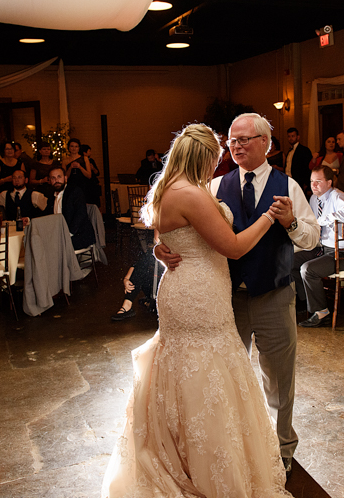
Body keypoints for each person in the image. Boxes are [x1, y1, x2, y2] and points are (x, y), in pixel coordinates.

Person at [102, 123, 293, 496]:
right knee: (206, 374)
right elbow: (234, 247)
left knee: (181, 370)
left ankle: (176, 452)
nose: (216, 167)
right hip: (199, 295)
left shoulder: (166, 188)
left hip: (180, 288)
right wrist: (268, 218)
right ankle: (204, 464)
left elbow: (163, 235)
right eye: (216, 159)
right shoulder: (191, 192)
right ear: (204, 156)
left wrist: (160, 248)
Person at [155, 114, 320, 480]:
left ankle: (280, 451)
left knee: (279, 380)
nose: (237, 146)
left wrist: (291, 222)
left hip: (273, 295)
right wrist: (160, 247)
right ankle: (235, 451)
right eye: (232, 141)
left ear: (266, 143)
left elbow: (311, 239)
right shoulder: (211, 187)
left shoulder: (288, 185)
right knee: (226, 381)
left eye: (245, 139)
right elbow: (178, 225)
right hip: (223, 300)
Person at [292, 166, 344, 327]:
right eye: (311, 181)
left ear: (329, 182)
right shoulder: (314, 200)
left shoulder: (338, 196)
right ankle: (305, 302)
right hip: (324, 248)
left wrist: (322, 220)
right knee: (290, 261)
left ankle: (321, 313)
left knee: (308, 269)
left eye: (318, 181)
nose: (313, 185)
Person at [42, 166, 95, 250]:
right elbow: (46, 215)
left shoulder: (75, 192)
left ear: (65, 178)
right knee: (40, 242)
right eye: (53, 178)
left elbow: (80, 214)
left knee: (51, 246)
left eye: (59, 177)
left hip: (78, 234)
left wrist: (68, 233)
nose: (56, 180)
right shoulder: (52, 196)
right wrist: (29, 219)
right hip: (61, 234)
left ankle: (61, 263)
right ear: (50, 181)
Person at [110, 249, 158, 321]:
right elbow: (137, 264)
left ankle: (151, 301)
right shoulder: (155, 249)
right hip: (155, 288)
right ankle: (127, 305)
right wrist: (126, 279)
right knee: (142, 268)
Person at [284, 127, 312, 194]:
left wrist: (306, 184)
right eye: (289, 136)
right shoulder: (289, 151)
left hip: (299, 182)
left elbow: (308, 168)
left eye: (293, 136)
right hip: (289, 181)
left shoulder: (304, 150)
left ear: (298, 137)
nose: (291, 138)